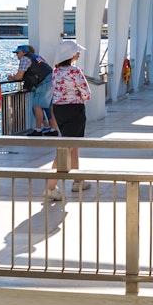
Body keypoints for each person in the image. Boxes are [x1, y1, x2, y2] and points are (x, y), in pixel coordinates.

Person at [42, 41, 91, 201]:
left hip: (59, 109)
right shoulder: (75, 71)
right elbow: (87, 93)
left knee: (73, 146)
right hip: (74, 110)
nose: (79, 53)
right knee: (67, 148)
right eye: (77, 51)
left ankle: (78, 181)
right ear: (70, 54)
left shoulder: (56, 71)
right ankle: (50, 187)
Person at [11, 44, 55, 136]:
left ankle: (38, 130)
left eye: (17, 53)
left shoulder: (25, 58)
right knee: (50, 107)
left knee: (36, 106)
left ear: (24, 52)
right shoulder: (37, 57)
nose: (17, 55)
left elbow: (19, 76)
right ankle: (53, 129)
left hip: (45, 82)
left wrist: (11, 78)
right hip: (52, 80)